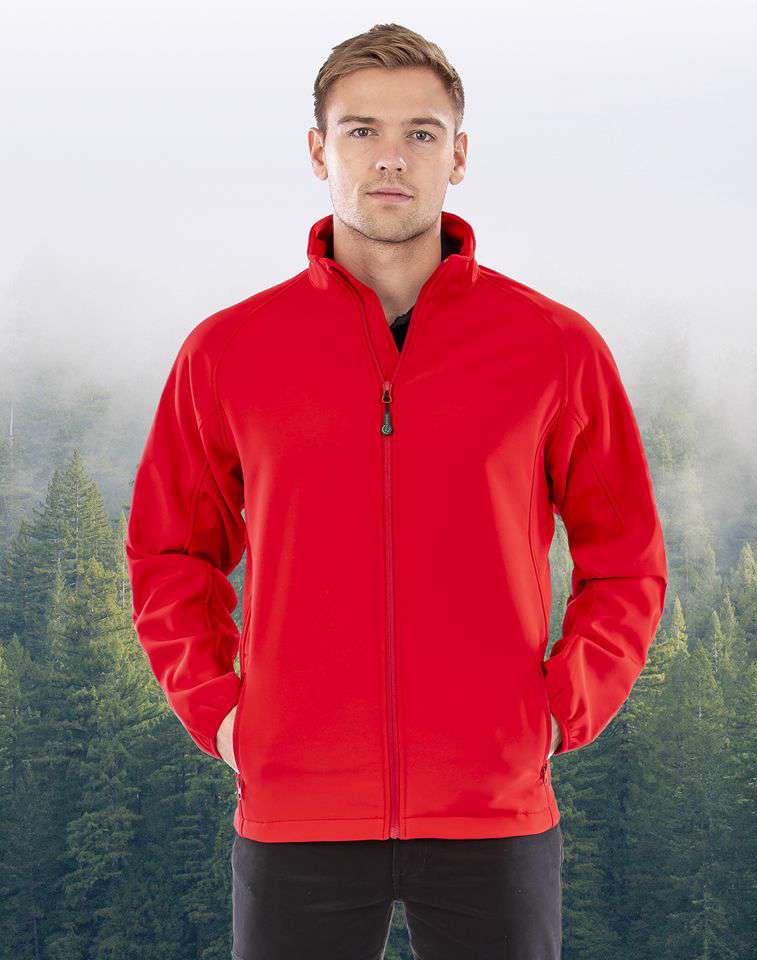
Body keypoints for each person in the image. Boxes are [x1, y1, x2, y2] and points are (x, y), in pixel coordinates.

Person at [125, 22, 668, 960]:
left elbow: (626, 561)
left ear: (459, 156)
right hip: (296, 809)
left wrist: (558, 711)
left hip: (493, 808)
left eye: (420, 133)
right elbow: (170, 552)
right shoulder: (228, 352)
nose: (390, 157)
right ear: (318, 151)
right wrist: (223, 714)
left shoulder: (553, 347)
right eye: (361, 131)